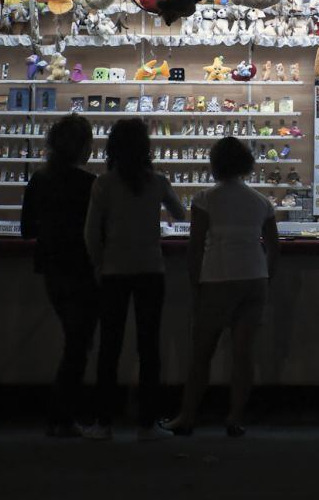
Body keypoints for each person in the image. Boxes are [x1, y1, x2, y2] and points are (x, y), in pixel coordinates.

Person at [163, 137, 280, 437]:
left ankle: (187, 417)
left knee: (202, 352)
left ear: (215, 164)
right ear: (246, 165)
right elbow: (274, 248)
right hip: (254, 278)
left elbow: (196, 246)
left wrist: (195, 285)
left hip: (218, 276)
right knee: (244, 354)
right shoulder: (261, 201)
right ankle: (235, 417)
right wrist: (266, 277)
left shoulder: (205, 199)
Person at [83, 117, 186, 441]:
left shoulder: (103, 184)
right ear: (146, 148)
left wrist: (99, 264)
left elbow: (90, 233)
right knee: (149, 347)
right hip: (150, 269)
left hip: (114, 271)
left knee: (109, 348)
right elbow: (181, 214)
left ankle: (103, 423)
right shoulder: (157, 181)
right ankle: (147, 423)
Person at [20, 114, 97, 438]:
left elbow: (27, 231)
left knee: (74, 342)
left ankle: (61, 415)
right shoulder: (90, 184)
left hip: (52, 267)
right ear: (82, 148)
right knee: (78, 345)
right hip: (83, 269)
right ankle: (62, 416)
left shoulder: (39, 179)